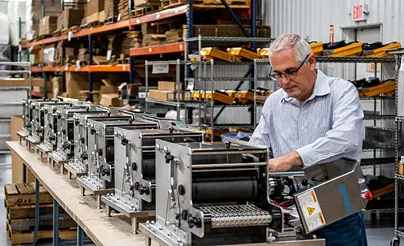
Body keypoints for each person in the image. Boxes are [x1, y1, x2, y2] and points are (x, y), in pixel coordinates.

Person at [249, 34, 367, 246]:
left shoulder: (341, 93)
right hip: (288, 213)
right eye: (277, 75)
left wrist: (293, 158)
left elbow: (346, 138)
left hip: (338, 212)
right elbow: (257, 148)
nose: (284, 81)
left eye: (291, 72)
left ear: (311, 61)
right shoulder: (274, 103)